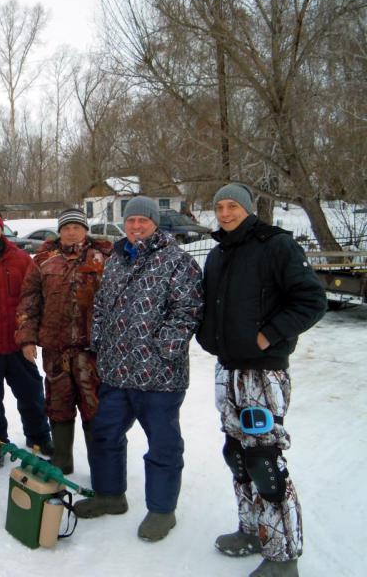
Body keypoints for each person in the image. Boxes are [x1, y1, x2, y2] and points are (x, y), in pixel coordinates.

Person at [196, 183, 326, 577]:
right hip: (227, 370)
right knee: (236, 454)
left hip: (263, 373)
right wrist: (208, 337)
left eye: (232, 205)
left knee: (263, 461)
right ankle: (252, 530)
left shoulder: (276, 246)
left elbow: (311, 300)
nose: (225, 213)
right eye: (219, 207)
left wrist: (268, 335)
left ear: (248, 209)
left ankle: (284, 556)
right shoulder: (218, 254)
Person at [74, 196, 203, 544]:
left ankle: (162, 510)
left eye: (142, 221)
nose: (135, 227)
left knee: (162, 444)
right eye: (130, 221)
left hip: (158, 375)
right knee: (104, 433)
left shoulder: (178, 261)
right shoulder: (116, 259)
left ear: (155, 223)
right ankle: (110, 495)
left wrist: (163, 350)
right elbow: (101, 306)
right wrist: (99, 343)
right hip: (116, 371)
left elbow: (187, 311)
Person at [15, 207, 112, 475]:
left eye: (77, 227)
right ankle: (62, 460)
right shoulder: (43, 259)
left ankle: (102, 468)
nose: (71, 232)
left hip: (92, 350)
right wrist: (27, 339)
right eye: (66, 227)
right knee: (58, 405)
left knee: (94, 407)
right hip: (55, 349)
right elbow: (29, 300)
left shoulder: (104, 257)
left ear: (85, 230)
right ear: (59, 232)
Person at [0, 208, 53, 468]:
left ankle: (38, 437)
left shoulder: (20, 259)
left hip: (18, 344)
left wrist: (32, 335)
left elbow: (33, 298)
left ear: (2, 228)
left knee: (31, 394)